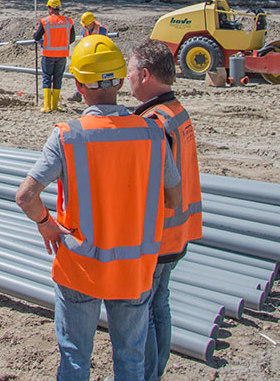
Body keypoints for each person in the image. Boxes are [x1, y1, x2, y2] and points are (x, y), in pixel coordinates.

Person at [15, 34, 181, 381]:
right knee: (131, 360)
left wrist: (46, 223)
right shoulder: (151, 133)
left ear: (78, 84)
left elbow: (26, 196)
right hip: (134, 269)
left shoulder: (68, 136)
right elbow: (173, 198)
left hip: (80, 267)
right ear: (121, 80)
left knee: (75, 360)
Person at [127, 40, 202, 381]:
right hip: (178, 231)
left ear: (144, 75)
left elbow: (150, 183)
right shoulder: (177, 111)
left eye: (129, 72)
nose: (126, 80)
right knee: (161, 306)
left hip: (157, 236)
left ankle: (149, 375)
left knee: (145, 313)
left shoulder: (153, 122)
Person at [33, 0, 75, 113]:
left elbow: (37, 37)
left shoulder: (45, 21)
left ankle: (47, 106)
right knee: (58, 79)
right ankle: (55, 105)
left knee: (47, 78)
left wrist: (41, 41)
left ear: (50, 9)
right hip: (62, 55)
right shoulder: (68, 21)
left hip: (48, 54)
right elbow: (71, 38)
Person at [70, 13, 108, 102]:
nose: (85, 26)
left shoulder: (101, 29)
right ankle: (78, 94)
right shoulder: (84, 29)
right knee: (83, 74)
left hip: (99, 56)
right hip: (88, 55)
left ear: (91, 23)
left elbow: (103, 43)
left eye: (86, 24)